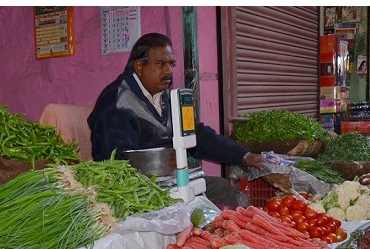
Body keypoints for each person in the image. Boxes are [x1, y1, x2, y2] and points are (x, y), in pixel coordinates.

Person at [89, 34, 264, 173]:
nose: (169, 71)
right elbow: (119, 164)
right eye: (160, 64)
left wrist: (243, 156)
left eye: (171, 64)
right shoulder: (117, 103)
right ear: (139, 66)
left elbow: (197, 135)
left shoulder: (164, 96)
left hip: (168, 179)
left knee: (220, 188)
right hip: (136, 190)